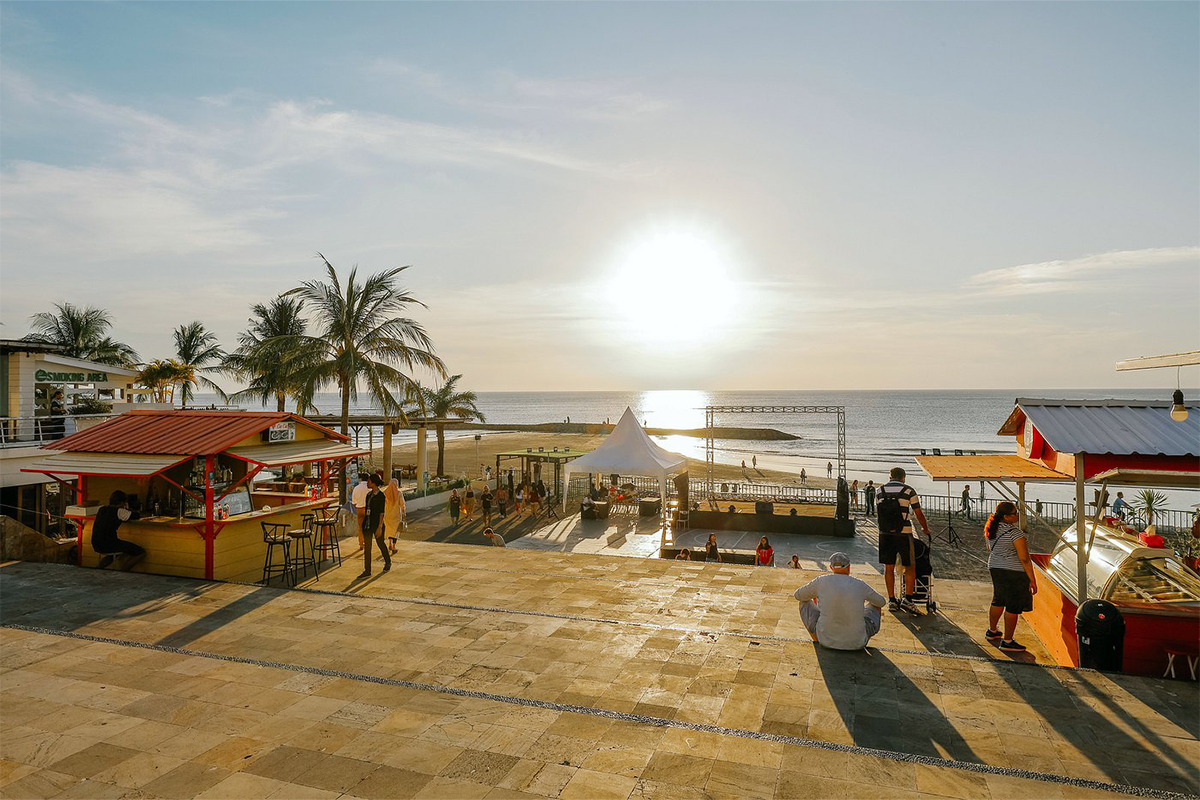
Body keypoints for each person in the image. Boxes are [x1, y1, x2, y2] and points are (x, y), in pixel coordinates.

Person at [794, 552, 886, 650]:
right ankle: (856, 638)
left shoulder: (821, 581)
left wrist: (818, 598)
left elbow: (798, 595)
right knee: (875, 605)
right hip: (857, 643)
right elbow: (881, 602)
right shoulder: (860, 584)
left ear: (831, 567)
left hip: (825, 641)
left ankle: (817, 640)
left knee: (804, 602)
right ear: (849, 567)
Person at [876, 467, 931, 615]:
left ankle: (892, 600)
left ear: (890, 477)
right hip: (904, 533)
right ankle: (908, 599)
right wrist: (925, 529)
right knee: (910, 566)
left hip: (885, 533)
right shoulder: (909, 491)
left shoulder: (879, 490)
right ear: (903, 477)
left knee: (888, 567)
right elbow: (918, 512)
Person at [983, 502, 1037, 653]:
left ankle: (992, 631)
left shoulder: (991, 529)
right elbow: (1024, 558)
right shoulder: (1015, 533)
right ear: (1006, 517)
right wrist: (1032, 579)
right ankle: (1008, 641)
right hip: (1014, 571)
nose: (1017, 515)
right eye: (1015, 513)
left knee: (998, 599)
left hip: (995, 566)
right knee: (1013, 605)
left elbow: (990, 548)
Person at [92, 490, 146, 570]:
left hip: (96, 543)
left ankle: (98, 569)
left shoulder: (102, 509)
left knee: (112, 555)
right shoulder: (119, 511)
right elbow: (136, 515)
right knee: (141, 552)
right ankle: (123, 571)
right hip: (109, 544)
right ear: (121, 502)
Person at [358, 474, 391, 578]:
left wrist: (380, 526)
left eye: (369, 481)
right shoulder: (368, 495)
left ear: (373, 482)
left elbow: (381, 512)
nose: (367, 483)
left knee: (380, 543)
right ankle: (367, 570)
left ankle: (388, 561)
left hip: (377, 524)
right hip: (367, 524)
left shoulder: (381, 496)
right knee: (367, 547)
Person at [384, 477, 405, 555]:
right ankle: (393, 546)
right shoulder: (399, 493)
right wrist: (404, 513)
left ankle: (389, 543)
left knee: (389, 530)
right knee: (395, 531)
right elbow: (402, 504)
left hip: (387, 515)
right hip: (396, 515)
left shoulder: (385, 493)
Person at [351, 475, 370, 549]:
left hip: (359, 508)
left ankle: (361, 543)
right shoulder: (369, 488)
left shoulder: (356, 488)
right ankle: (367, 542)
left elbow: (353, 502)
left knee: (360, 527)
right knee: (368, 527)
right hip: (368, 509)